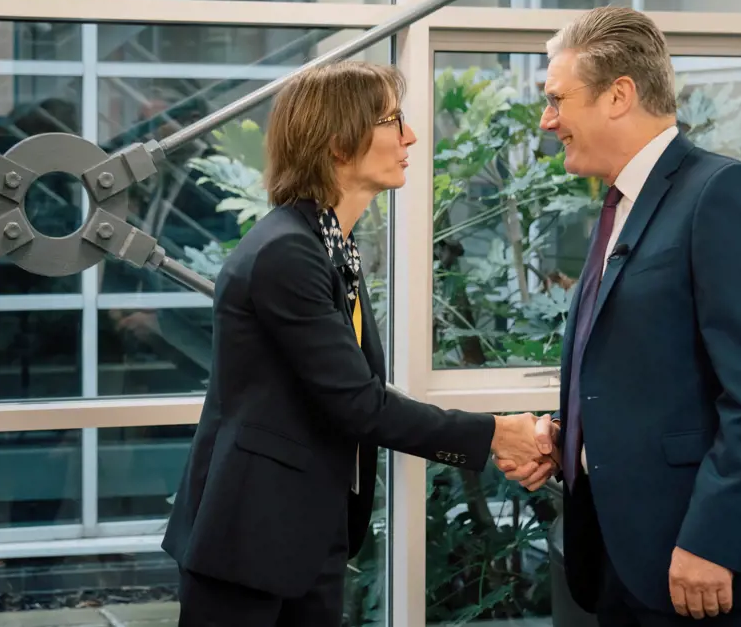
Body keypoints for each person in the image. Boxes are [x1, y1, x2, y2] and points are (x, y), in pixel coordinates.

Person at [161, 61, 546, 627]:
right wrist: (496, 432)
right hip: (251, 542)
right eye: (393, 120)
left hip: (299, 532)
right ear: (340, 144)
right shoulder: (287, 253)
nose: (411, 135)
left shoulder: (326, 244)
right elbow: (359, 404)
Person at [498, 7, 741, 626]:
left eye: (556, 100)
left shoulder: (725, 194)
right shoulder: (619, 206)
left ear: (619, 95)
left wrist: (714, 539)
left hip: (710, 567)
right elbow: (649, 373)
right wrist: (568, 438)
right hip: (627, 560)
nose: (548, 122)